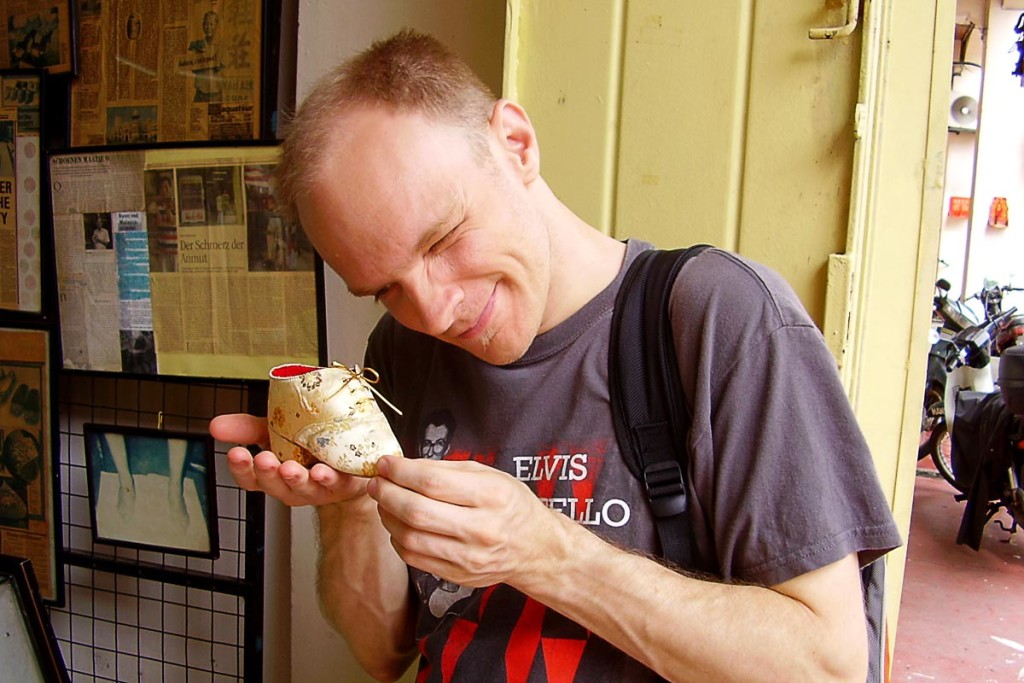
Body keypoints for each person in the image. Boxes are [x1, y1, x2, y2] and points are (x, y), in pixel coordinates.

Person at [210, 30, 902, 682]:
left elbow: (828, 664)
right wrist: (352, 501)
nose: (434, 311)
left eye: (443, 239)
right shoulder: (404, 348)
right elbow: (383, 649)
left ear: (516, 144)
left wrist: (544, 551)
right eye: (386, 288)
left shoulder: (717, 317)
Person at [186, 11, 223, 103]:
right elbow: (193, 69)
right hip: (200, 94)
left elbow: (221, 68)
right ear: (203, 25)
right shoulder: (197, 45)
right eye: (206, 24)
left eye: (211, 24)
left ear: (217, 26)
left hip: (215, 95)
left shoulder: (221, 46)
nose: (208, 27)